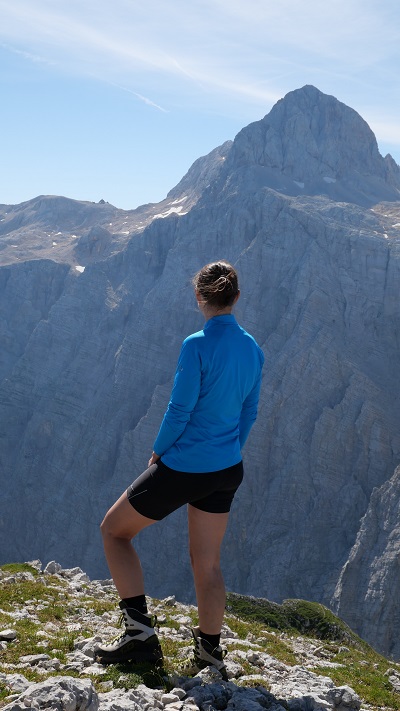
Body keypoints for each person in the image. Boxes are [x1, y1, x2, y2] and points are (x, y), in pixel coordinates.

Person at [95, 260, 264, 679]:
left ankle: (139, 638)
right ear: (237, 297)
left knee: (114, 531)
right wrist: (228, 451)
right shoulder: (253, 348)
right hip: (228, 468)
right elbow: (249, 412)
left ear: (199, 297)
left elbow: (179, 409)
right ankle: (209, 656)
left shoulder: (196, 345)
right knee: (207, 563)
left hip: (186, 465)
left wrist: (159, 451)